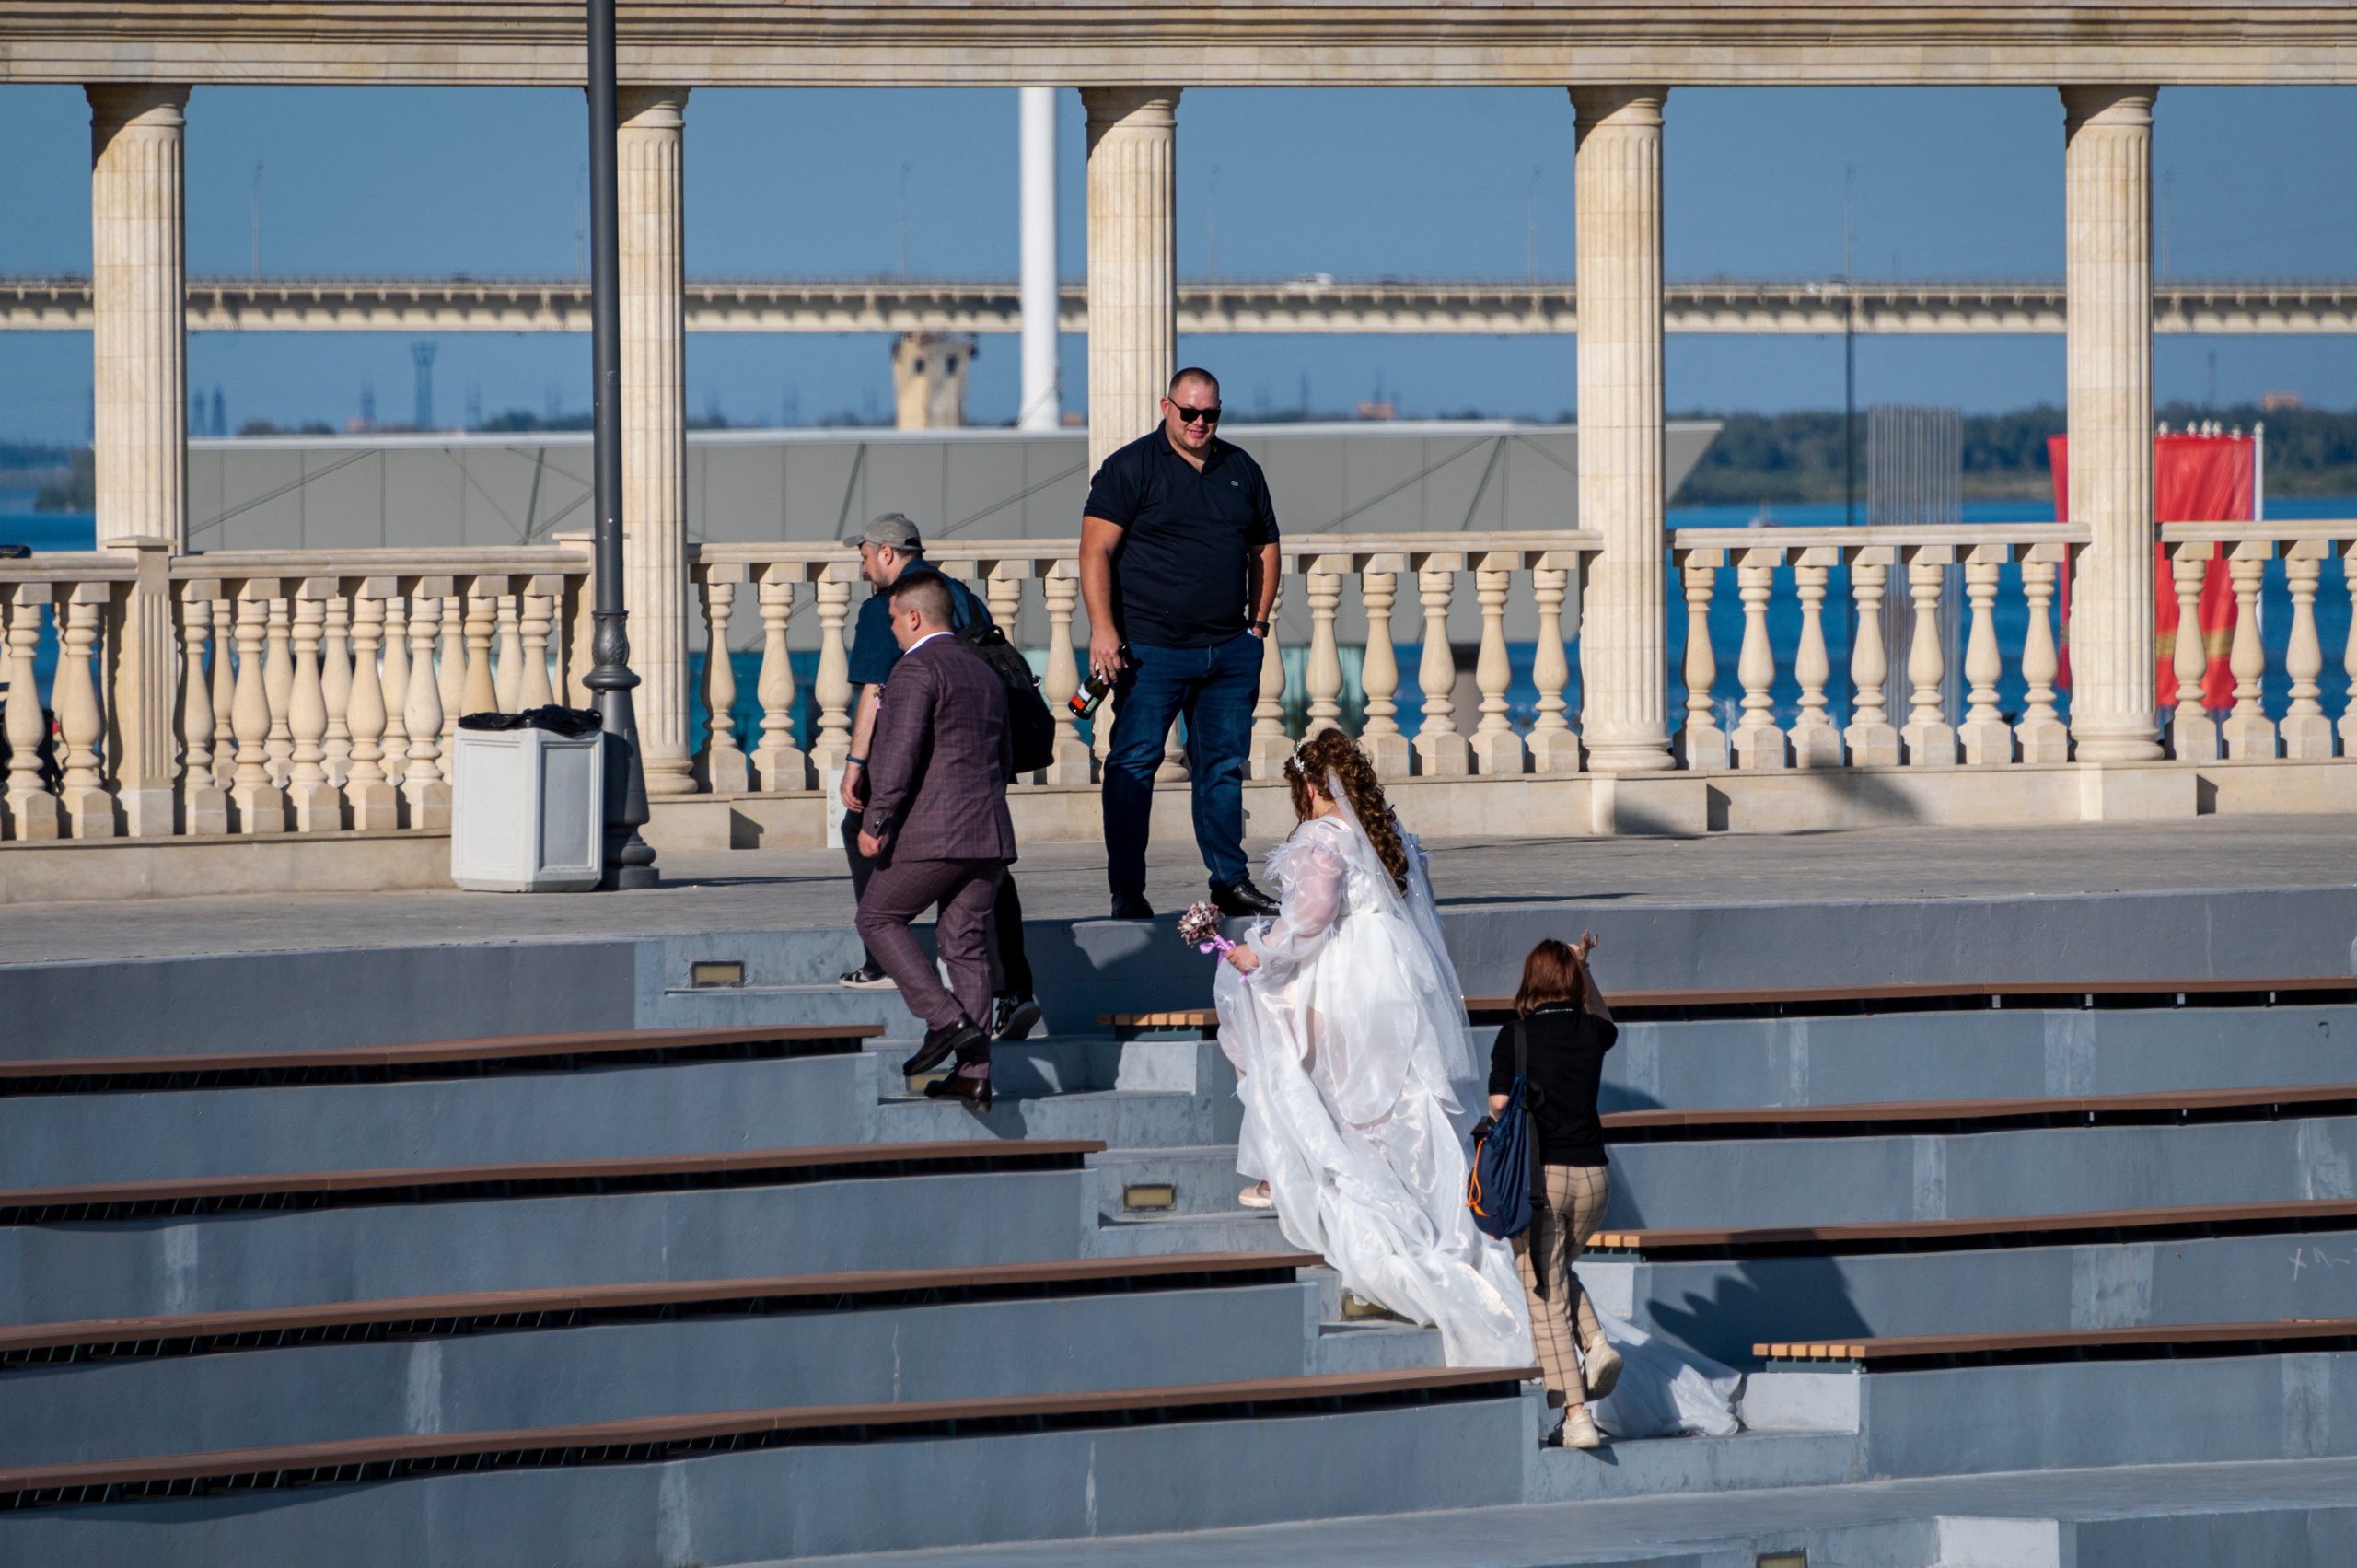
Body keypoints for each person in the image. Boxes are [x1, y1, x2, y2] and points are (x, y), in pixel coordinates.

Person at [1211, 728, 1532, 1369]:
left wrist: (1259, 951)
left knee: (1273, 1017)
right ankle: (1420, 1189)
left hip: (1352, 972)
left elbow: (1311, 918)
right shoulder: (1388, 833)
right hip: (1401, 975)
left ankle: (1298, 1168)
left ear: (1309, 786)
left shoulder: (1321, 837)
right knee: (1400, 1087)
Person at [1488, 936, 1744, 1449]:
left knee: (1544, 1296)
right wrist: (1586, 968)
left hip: (1541, 1181)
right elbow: (1607, 1023)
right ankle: (1596, 1343)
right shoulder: (1590, 1031)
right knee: (1554, 1275)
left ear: (1532, 979)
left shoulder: (1515, 1034)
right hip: (1593, 1180)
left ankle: (1576, 1416)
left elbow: (1498, 1104)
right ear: (1571, 981)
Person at [1081, 367, 1282, 923]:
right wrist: (1103, 630)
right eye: (1189, 412)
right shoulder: (1129, 468)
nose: (1199, 423)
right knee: (1133, 764)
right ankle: (1127, 890)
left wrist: (1257, 626)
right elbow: (1094, 551)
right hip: (1151, 651)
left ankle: (1230, 882)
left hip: (1229, 650)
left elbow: (1265, 546)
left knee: (1221, 769)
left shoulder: (1242, 469)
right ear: (1166, 406)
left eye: (1209, 414)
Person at [837, 513, 1040, 1044]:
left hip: (928, 762)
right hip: (980, 763)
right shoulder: (960, 596)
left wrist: (856, 766)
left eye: (864, 556)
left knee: (863, 838)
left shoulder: (892, 606)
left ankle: (882, 961)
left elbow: (876, 691)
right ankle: (1013, 990)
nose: (864, 567)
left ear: (886, 553)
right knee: (986, 874)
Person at [852, 573, 1019, 1111]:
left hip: (936, 833)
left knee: (877, 918)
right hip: (989, 832)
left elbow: (896, 756)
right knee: (965, 947)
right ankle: (974, 1076)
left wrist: (875, 821)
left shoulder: (915, 669)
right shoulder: (982, 671)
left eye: (894, 619)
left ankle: (945, 1020)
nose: (892, 629)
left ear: (915, 616)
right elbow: (1005, 758)